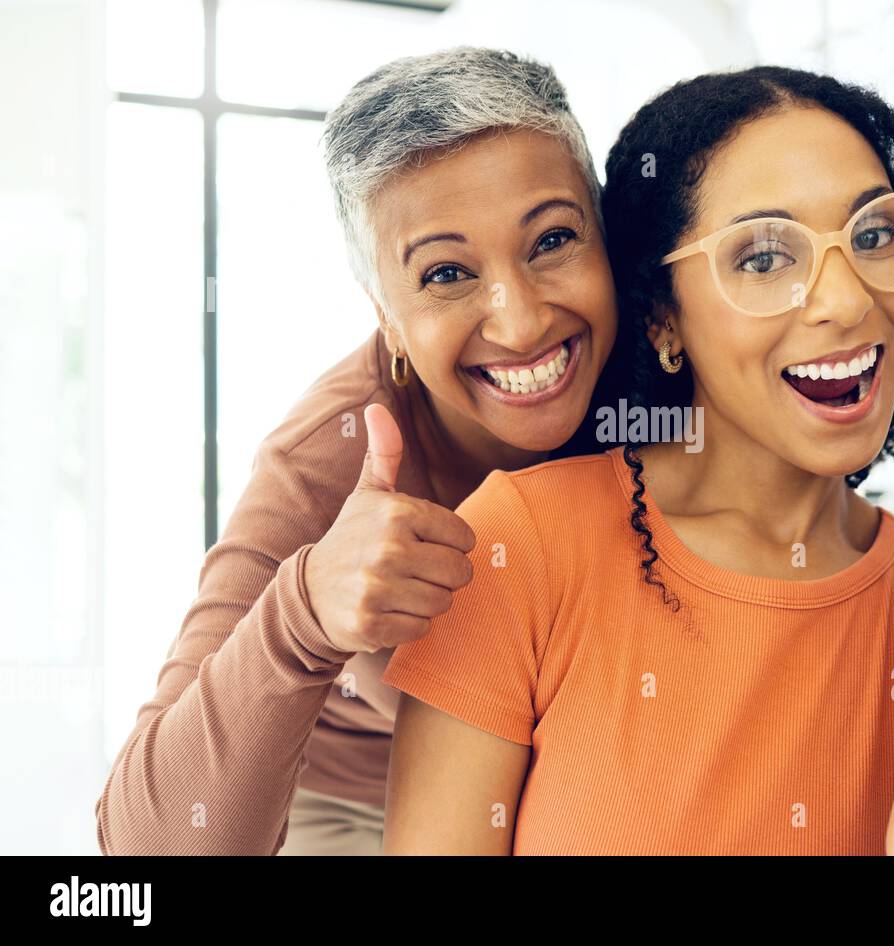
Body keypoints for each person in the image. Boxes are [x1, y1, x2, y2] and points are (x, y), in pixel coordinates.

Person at [381, 66, 894, 854]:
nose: (845, 301)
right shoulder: (516, 547)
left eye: (875, 234)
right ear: (662, 318)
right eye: (763, 257)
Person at [94, 47, 618, 855]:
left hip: (579, 775)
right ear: (386, 315)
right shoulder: (325, 460)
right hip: (357, 805)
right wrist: (303, 615)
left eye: (552, 241)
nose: (520, 323)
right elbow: (146, 847)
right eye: (446, 272)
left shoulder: (661, 366)